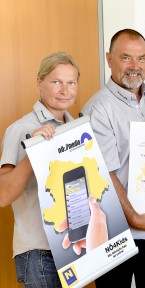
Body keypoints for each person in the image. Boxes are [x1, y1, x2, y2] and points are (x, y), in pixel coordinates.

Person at [81, 28, 145, 288]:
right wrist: (134, 218)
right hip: (117, 231)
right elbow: (104, 174)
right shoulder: (98, 108)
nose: (135, 66)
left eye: (142, 58)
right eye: (126, 58)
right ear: (109, 59)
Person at [0, 51, 80, 287]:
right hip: (40, 253)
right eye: (56, 82)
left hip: (73, 249)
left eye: (71, 83)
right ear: (39, 83)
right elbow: (3, 195)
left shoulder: (77, 129)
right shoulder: (22, 128)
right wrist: (33, 152)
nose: (65, 91)